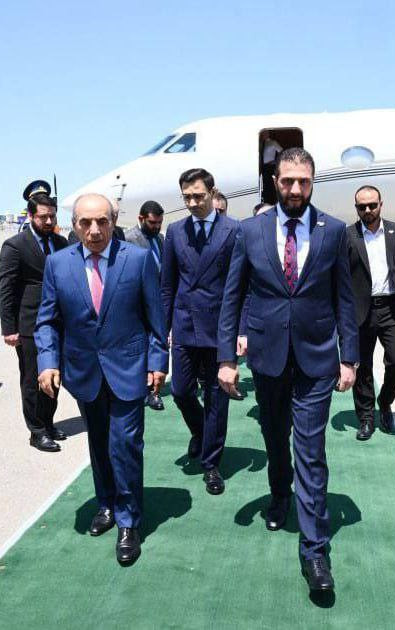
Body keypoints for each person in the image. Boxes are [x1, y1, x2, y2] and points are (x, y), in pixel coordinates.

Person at [217, 148, 358, 593]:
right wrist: (226, 358)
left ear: (313, 182)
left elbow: (345, 298)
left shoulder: (334, 231)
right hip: (268, 357)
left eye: (303, 181)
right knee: (276, 438)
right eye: (287, 181)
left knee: (311, 451)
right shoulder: (249, 231)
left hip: (316, 359)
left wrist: (349, 357)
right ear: (274, 182)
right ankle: (280, 494)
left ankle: (315, 551)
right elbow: (233, 296)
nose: (296, 189)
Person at [35, 193, 167, 565]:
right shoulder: (57, 264)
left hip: (129, 368)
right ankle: (106, 502)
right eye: (85, 223)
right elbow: (47, 320)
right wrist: (47, 361)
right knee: (98, 441)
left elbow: (156, 317)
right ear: (74, 225)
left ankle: (129, 520)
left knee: (125, 444)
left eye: (102, 222)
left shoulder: (137, 259)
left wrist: (158, 362)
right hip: (84, 371)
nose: (94, 230)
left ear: (113, 221)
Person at [162, 169, 241, 495]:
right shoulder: (175, 231)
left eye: (198, 196)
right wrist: (163, 327)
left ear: (212, 192)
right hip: (184, 325)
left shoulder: (233, 230)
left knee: (216, 398)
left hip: (219, 327)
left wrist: (241, 331)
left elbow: (242, 286)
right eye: (187, 197)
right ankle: (200, 432)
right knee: (181, 391)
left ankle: (211, 464)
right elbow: (167, 284)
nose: (193, 202)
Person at [346, 186, 395, 440]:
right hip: (360, 311)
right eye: (362, 207)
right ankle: (366, 417)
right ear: (356, 208)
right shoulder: (347, 236)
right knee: (362, 367)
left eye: (372, 205)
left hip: (392, 308)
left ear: (381, 204)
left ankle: (385, 400)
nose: (368, 210)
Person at [0, 193, 68, 452]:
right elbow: (5, 288)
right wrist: (9, 328)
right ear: (30, 216)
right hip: (29, 324)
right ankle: (36, 431)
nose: (48, 221)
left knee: (54, 374)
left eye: (52, 216)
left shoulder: (61, 242)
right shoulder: (15, 245)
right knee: (31, 379)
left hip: (59, 322)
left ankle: (48, 422)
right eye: (42, 217)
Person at [124, 200, 166, 411]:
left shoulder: (160, 238)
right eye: (152, 223)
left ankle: (153, 392)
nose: (156, 227)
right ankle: (140, 389)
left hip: (157, 302)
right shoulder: (129, 239)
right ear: (141, 219)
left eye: (159, 223)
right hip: (137, 303)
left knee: (156, 345)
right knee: (139, 348)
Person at [260, 132, 283, 204]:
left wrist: (276, 161)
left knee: (271, 185)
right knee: (265, 185)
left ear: (268, 134)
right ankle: (267, 201)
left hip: (270, 167)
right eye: (262, 134)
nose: (263, 136)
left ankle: (273, 202)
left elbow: (281, 151)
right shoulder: (262, 144)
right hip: (264, 167)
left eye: (264, 134)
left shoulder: (273, 142)